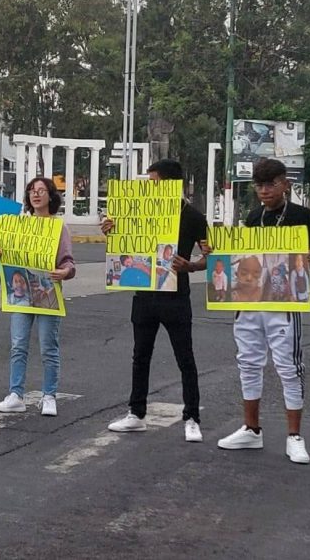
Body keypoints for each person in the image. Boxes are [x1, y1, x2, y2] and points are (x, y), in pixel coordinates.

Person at [217, 158, 310, 463]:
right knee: (248, 362)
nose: (264, 191)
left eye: (270, 184)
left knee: (289, 366)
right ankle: (251, 429)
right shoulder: (253, 217)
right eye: (259, 186)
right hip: (250, 300)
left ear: (285, 184)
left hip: (284, 303)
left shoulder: (301, 216)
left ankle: (295, 436)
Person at [104, 160, 210, 443]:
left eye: (155, 182)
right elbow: (121, 245)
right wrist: (110, 229)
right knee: (140, 356)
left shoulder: (193, 217)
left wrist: (192, 266)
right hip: (144, 295)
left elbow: (212, 256)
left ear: (173, 185)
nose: (149, 188)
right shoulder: (138, 212)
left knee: (184, 358)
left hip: (176, 297)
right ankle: (136, 413)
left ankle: (191, 417)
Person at [0, 177, 76, 417]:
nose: (36, 195)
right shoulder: (18, 225)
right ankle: (15, 394)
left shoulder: (59, 227)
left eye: (41, 191)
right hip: (21, 294)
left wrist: (65, 272)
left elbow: (68, 262)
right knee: (18, 345)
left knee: (48, 347)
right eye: (31, 191)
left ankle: (49, 395)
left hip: (47, 294)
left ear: (51, 196)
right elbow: (7, 257)